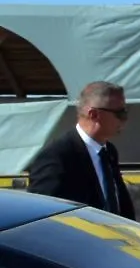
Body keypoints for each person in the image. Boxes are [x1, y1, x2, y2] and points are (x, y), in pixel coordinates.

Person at [26, 81, 134, 217]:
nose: (125, 119)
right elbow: (41, 214)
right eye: (120, 113)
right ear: (94, 114)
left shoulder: (109, 152)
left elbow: (119, 205)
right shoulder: (57, 155)